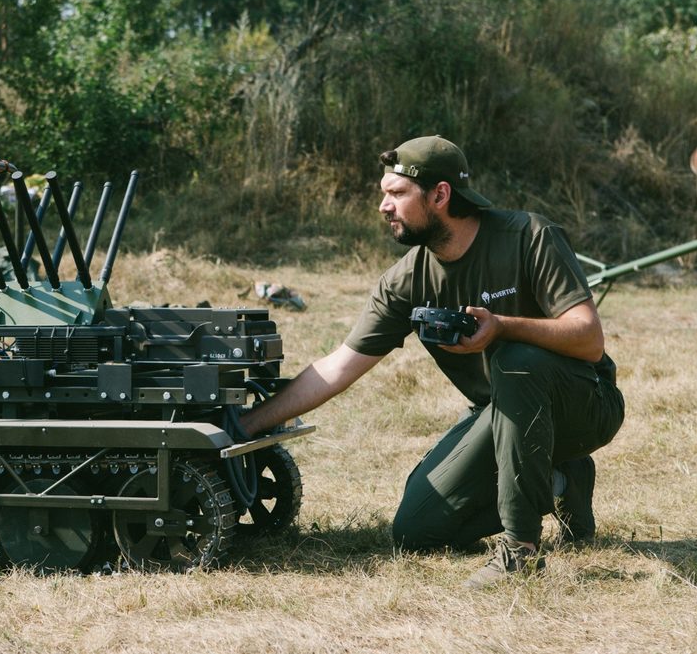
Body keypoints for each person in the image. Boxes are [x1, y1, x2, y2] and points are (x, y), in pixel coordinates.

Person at [239, 136, 625, 589]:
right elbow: (339, 366)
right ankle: (563, 482)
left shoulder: (528, 235)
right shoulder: (406, 279)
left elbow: (589, 340)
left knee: (516, 357)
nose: (384, 206)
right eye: (384, 194)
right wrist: (246, 425)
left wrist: (502, 326)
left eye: (396, 194)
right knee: (416, 531)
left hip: (584, 405)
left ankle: (520, 552)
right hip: (500, 415)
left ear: (440, 195)